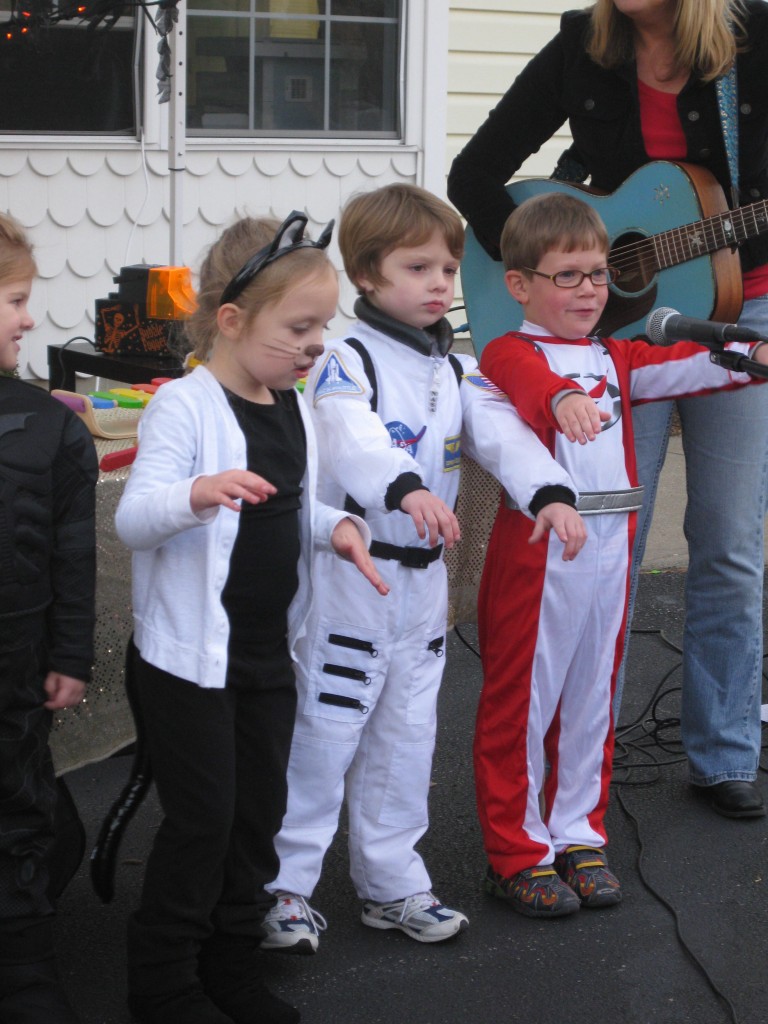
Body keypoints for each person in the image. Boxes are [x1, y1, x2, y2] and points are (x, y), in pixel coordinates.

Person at [448, 0, 768, 820]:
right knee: (600, 538)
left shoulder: (753, 38)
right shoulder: (582, 44)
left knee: (730, 543)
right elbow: (474, 174)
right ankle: (577, 767)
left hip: (746, 308)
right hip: (614, 324)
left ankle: (725, 751)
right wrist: (552, 267)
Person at [260, 183, 586, 953]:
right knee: (326, 734)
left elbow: (500, 431)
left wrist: (549, 492)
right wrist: (403, 488)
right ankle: (283, 888)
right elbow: (349, 436)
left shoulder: (453, 368)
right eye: (418, 268)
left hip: (423, 586)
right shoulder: (346, 358)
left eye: (446, 267)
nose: (440, 283)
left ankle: (392, 882)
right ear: (368, 277)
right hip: (355, 577)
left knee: (407, 737)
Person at [114, 211, 390, 1024]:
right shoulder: (184, 408)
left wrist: (334, 527)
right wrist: (196, 494)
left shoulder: (291, 406)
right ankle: (162, 985)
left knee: (255, 819)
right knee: (203, 822)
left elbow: (284, 507)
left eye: (323, 325)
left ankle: (230, 968)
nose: (316, 343)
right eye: (299, 327)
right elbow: (134, 518)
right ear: (231, 321)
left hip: (269, 656)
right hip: (187, 662)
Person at [474, 190, 768, 918]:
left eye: (598, 275)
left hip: (610, 545)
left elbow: (687, 368)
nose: (587, 291)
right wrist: (559, 401)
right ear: (520, 285)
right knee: (522, 703)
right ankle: (517, 852)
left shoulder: (615, 353)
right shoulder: (510, 350)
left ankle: (578, 833)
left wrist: (750, 357)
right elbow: (528, 381)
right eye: (566, 276)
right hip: (539, 553)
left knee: (591, 701)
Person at [0, 213, 98, 1021]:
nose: (30, 318)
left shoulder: (48, 426)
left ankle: (27, 966)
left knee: (21, 813)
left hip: (15, 672)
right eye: (16, 300)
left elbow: (74, 554)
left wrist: (70, 653)